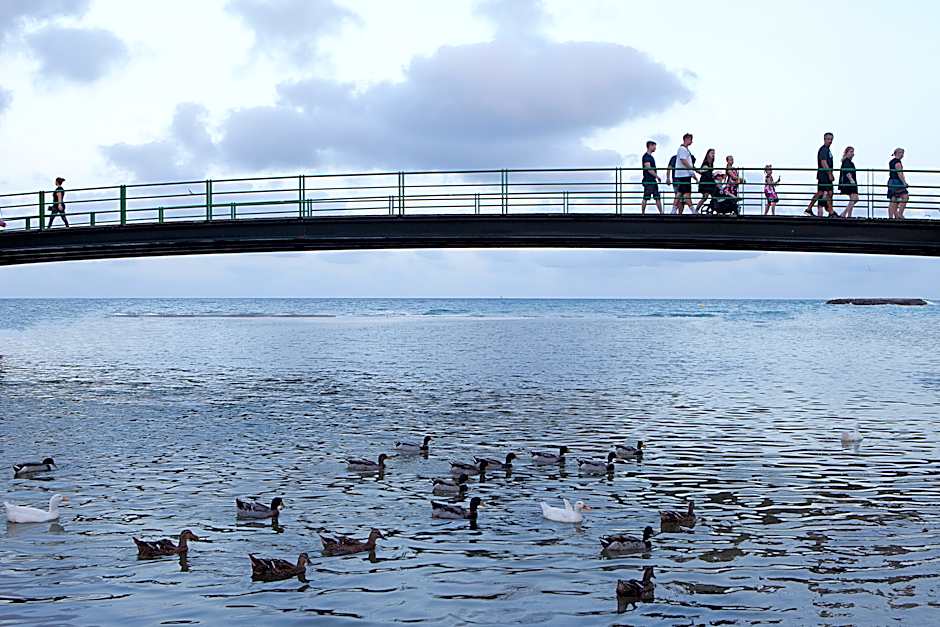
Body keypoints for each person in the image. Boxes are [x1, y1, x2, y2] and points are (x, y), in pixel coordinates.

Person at [806, 132, 838, 217]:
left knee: (826, 192)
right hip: (824, 175)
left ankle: (810, 209)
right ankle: (830, 212)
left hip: (825, 175)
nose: (830, 141)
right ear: (824, 139)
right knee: (826, 192)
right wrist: (829, 174)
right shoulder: (823, 149)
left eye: (831, 139)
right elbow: (823, 162)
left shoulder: (827, 150)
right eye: (828, 139)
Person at [674, 133, 698, 214]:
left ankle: (673, 210)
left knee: (680, 193)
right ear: (686, 139)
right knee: (686, 194)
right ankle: (693, 211)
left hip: (684, 174)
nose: (691, 141)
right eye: (690, 139)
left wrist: (693, 173)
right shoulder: (682, 149)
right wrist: (691, 171)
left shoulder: (684, 149)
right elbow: (684, 160)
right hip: (684, 174)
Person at [640, 141, 663, 214]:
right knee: (646, 197)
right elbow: (648, 168)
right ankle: (643, 213)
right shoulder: (646, 157)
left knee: (657, 197)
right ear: (650, 146)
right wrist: (657, 176)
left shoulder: (650, 157)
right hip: (648, 180)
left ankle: (661, 212)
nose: (655, 148)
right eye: (654, 146)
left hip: (652, 180)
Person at [887, 148, 909, 219]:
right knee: (905, 196)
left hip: (891, 181)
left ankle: (892, 217)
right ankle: (900, 214)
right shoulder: (897, 162)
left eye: (903, 153)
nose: (902, 154)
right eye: (901, 153)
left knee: (893, 199)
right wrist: (904, 183)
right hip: (896, 182)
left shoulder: (891, 161)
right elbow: (900, 173)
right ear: (896, 153)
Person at [838, 147, 859, 218]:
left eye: (853, 152)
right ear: (846, 153)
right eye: (851, 152)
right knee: (854, 198)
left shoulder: (848, 162)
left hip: (850, 182)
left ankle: (848, 215)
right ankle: (844, 214)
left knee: (853, 199)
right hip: (849, 183)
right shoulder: (846, 161)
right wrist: (851, 180)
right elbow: (847, 172)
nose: (852, 154)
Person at [695, 148, 717, 213]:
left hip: (710, 182)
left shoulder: (711, 163)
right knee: (705, 197)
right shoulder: (706, 163)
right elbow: (701, 171)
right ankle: (696, 210)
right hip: (706, 182)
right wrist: (694, 169)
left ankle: (715, 208)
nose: (713, 154)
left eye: (714, 153)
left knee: (714, 195)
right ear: (708, 154)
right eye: (712, 153)